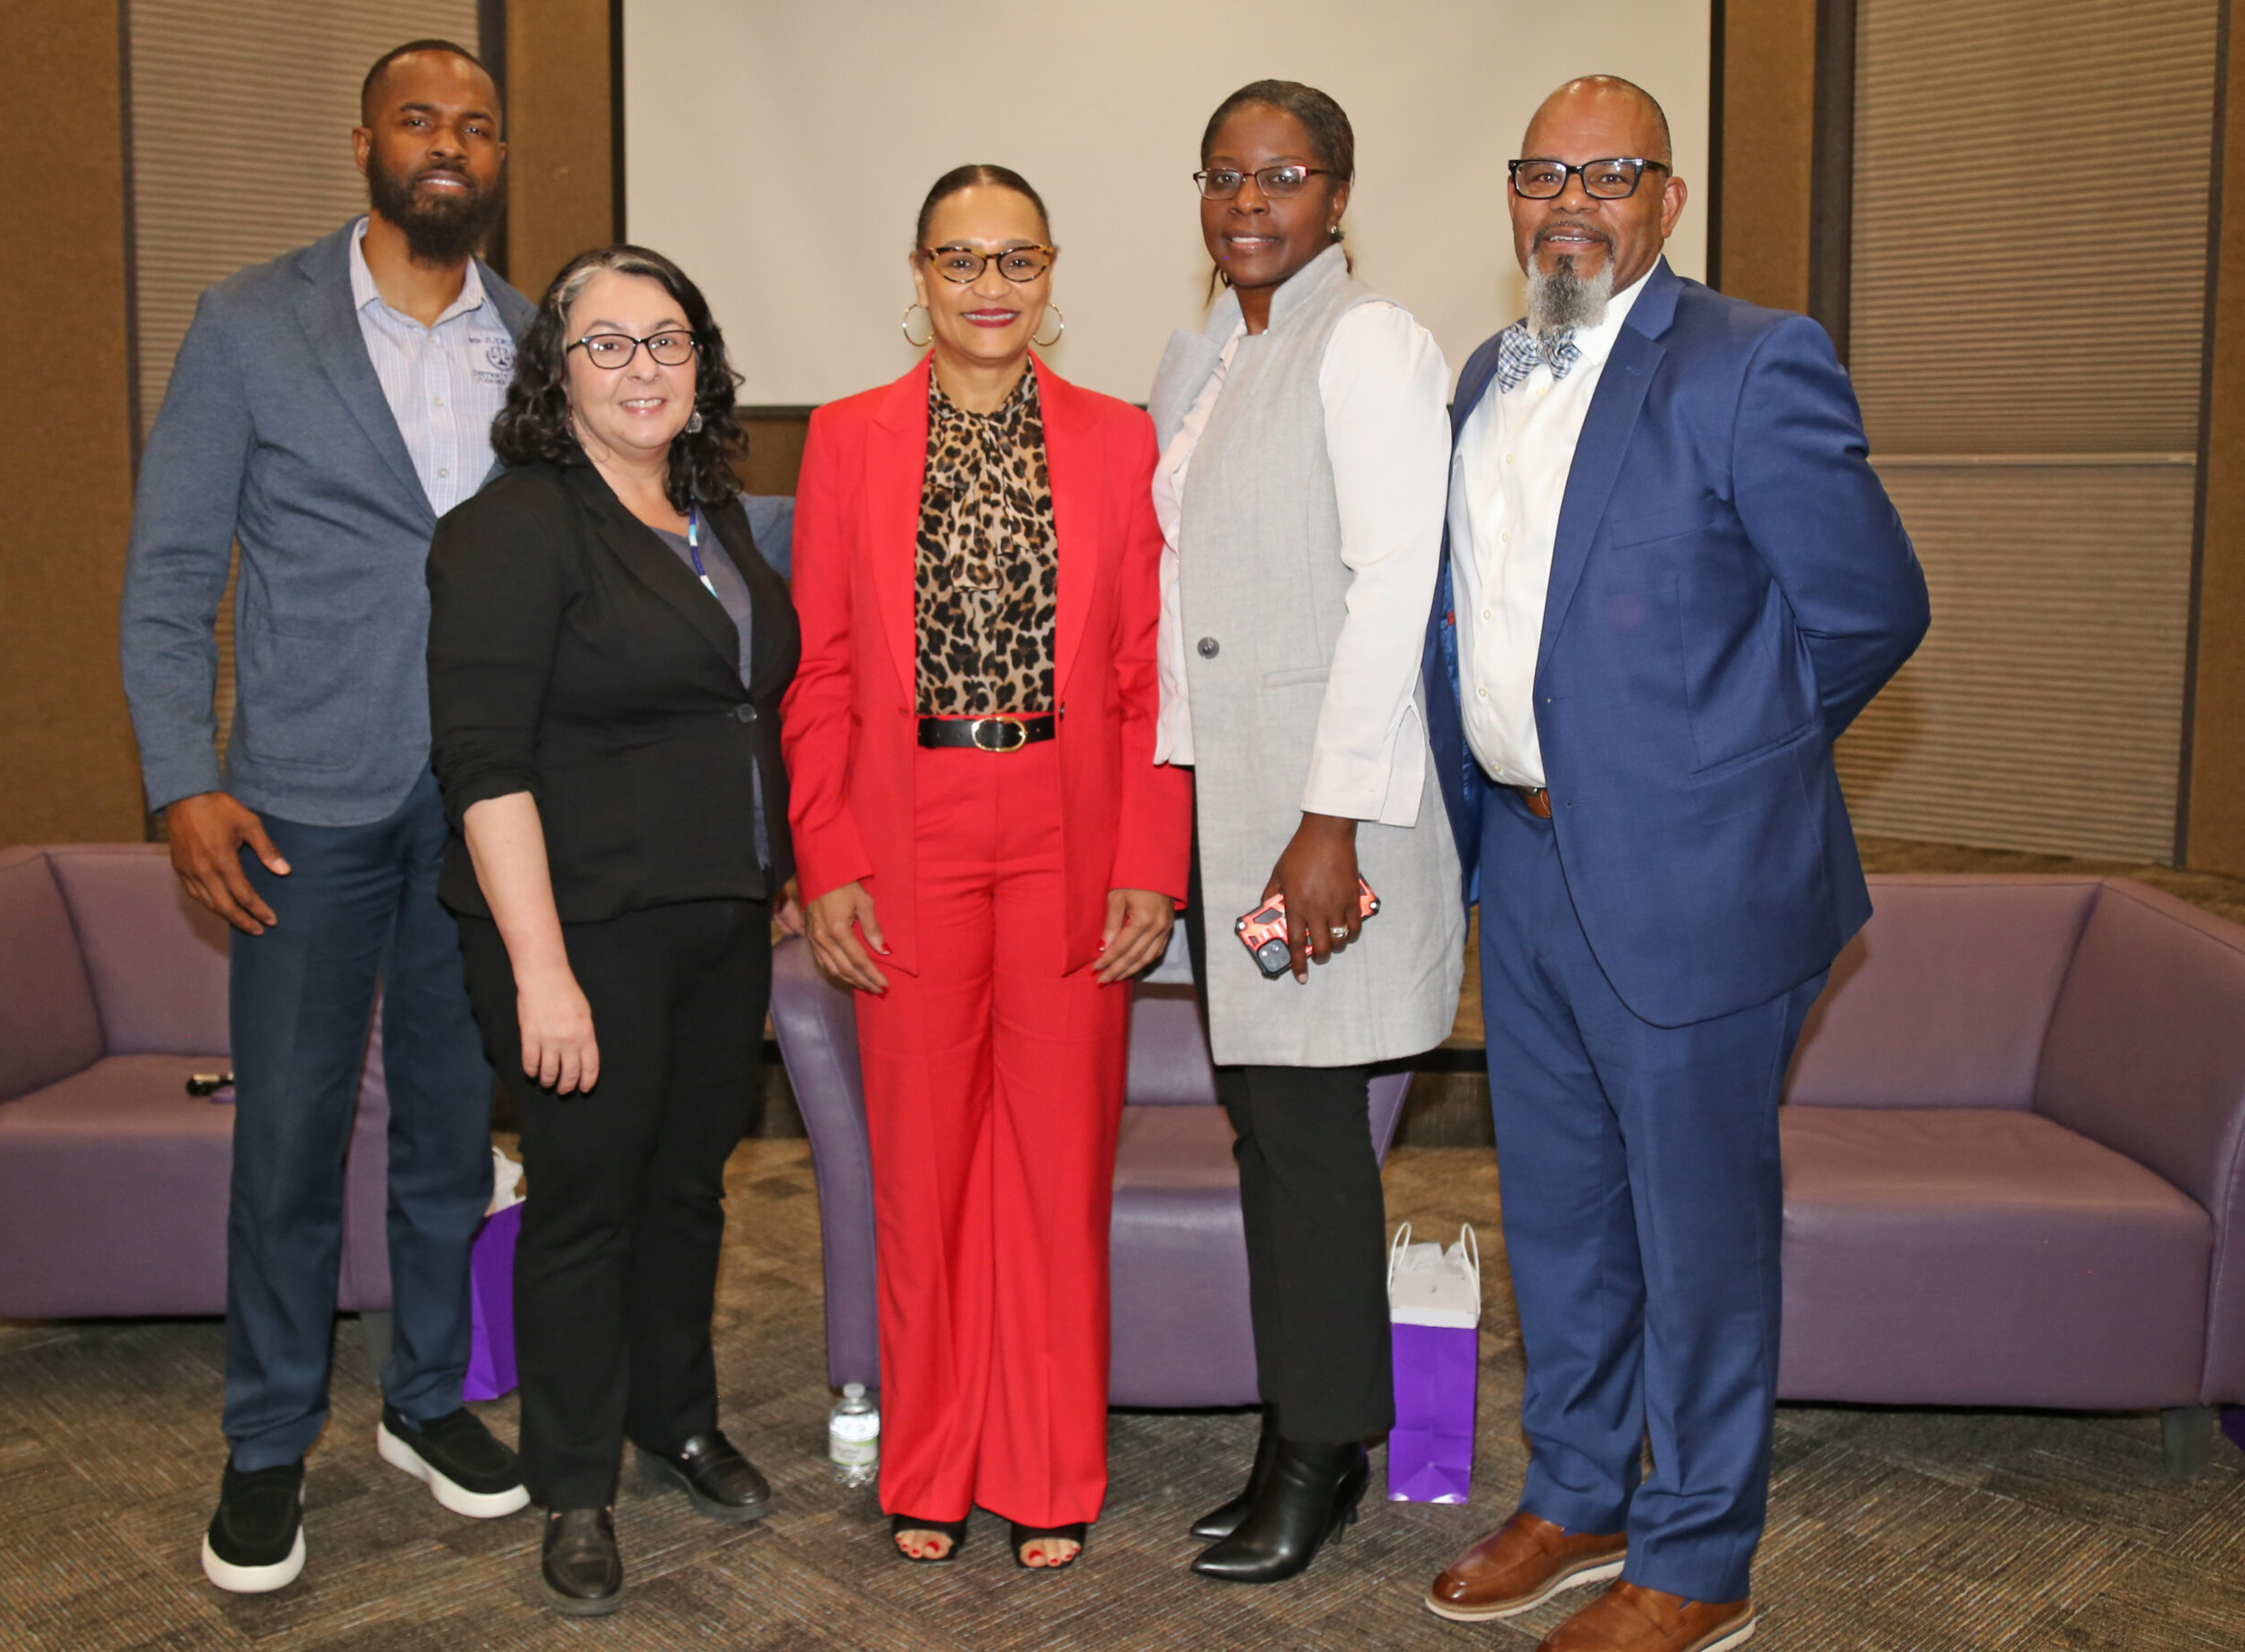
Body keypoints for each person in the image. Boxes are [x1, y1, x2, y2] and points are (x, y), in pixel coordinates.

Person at [1418, 78, 1929, 1652]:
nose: (1572, 199)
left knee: (1700, 1233)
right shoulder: (1484, 379)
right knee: (1561, 1213)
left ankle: (1701, 1559)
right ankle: (1580, 1494)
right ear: (1511, 196)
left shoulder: (1750, 361)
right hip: (1529, 860)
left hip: (1697, 880)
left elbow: (1868, 607)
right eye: (1543, 171)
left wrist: (1707, 775)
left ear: (1669, 199)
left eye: (1611, 171)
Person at [118, 39, 535, 1595]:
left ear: (499, 156)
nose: (448, 146)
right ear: (360, 141)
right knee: (289, 1139)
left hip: (484, 808)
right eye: (420, 120)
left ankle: (427, 1398)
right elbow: (171, 573)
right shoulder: (247, 324)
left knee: (451, 1130)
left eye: (475, 127)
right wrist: (182, 780)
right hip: (300, 803)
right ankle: (268, 1438)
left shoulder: (537, 335)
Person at [782, 164, 1191, 1572]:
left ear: (1053, 271)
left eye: (1015, 258)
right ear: (918, 274)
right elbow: (819, 670)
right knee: (923, 1159)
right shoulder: (845, 440)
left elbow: (1146, 682)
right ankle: (933, 1457)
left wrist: (1151, 856)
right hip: (909, 828)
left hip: (1072, 825)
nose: (990, 284)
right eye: (962, 259)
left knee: (1056, 1159)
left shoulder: (1119, 438)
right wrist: (826, 855)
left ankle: (1049, 1462)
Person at [425, 244, 798, 1615]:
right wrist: (540, 972)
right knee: (584, 1206)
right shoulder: (512, 527)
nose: (644, 368)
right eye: (608, 344)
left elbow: (737, 713)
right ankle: (572, 1481)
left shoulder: (712, 515)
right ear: (556, 372)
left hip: (714, 924)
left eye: (669, 340)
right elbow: (481, 759)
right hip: (573, 934)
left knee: (689, 1187)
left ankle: (674, 1417)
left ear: (701, 362)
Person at [1148, 81, 1465, 1585]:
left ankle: (1326, 1446)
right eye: (1225, 175)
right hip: (1240, 822)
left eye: (1283, 176)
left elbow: (1396, 585)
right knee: (1274, 1136)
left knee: (1312, 1145)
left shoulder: (1372, 342)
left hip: (1320, 828)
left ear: (1339, 197)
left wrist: (1326, 822)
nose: (1249, 200)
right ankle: (1302, 1431)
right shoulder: (1214, 355)